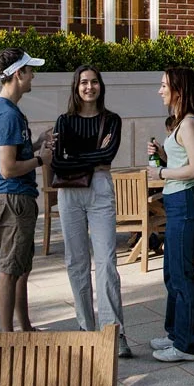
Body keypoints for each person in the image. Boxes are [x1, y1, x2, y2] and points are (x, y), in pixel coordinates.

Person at [50, 64, 128, 355]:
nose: (89, 87)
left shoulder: (112, 120)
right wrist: (92, 159)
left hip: (100, 190)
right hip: (69, 193)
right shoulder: (64, 121)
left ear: (101, 86)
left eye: (94, 82)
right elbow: (57, 162)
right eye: (84, 82)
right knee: (76, 262)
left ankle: (114, 332)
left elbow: (108, 155)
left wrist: (76, 156)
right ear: (76, 87)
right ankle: (85, 327)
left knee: (107, 261)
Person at [145, 67, 194, 362]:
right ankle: (174, 334)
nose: (159, 90)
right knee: (172, 273)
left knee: (184, 276)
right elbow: (183, 160)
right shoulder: (179, 124)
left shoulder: (190, 123)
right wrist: (162, 152)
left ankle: (188, 345)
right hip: (176, 202)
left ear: (179, 90)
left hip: (185, 202)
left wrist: (160, 171)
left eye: (163, 85)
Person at [0, 49, 50, 333]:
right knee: (10, 268)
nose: (33, 75)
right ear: (17, 74)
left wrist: (37, 143)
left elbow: (12, 153)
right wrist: (40, 160)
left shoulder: (9, 112)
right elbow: (8, 168)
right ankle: (7, 337)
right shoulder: (6, 114)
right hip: (14, 197)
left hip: (18, 198)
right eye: (29, 70)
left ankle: (24, 329)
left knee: (21, 267)